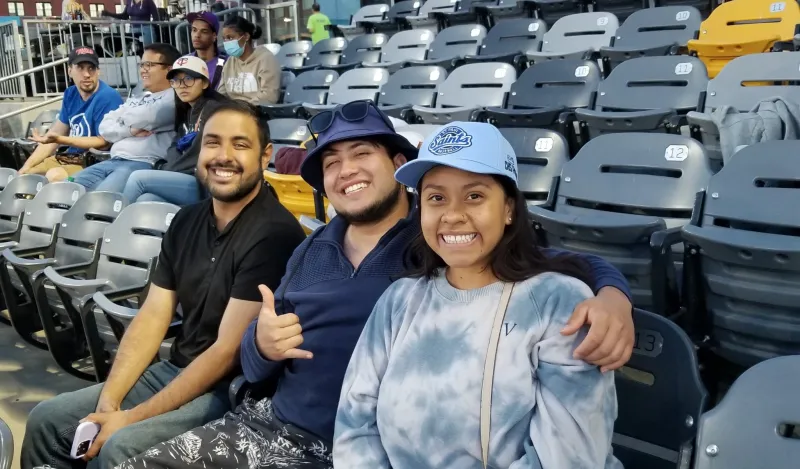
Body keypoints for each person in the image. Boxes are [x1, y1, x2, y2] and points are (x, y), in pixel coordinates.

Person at [117, 102, 635, 469]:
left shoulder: (433, 241)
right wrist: (263, 343)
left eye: (361, 153)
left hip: (328, 448)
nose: (346, 172)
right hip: (272, 423)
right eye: (332, 163)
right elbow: (259, 366)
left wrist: (613, 295)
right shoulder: (316, 251)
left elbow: (560, 265)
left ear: (396, 166)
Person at [22, 100, 307, 469]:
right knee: (47, 420)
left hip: (227, 391)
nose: (223, 156)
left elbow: (225, 352)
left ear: (264, 155)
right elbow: (153, 316)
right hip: (174, 370)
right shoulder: (186, 220)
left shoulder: (274, 233)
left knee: (118, 447)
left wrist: (130, 417)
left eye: (240, 144)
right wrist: (110, 400)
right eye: (212, 142)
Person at [334, 122, 622, 468]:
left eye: (475, 196)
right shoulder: (399, 300)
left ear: (509, 209)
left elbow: (568, 457)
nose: (453, 215)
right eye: (436, 198)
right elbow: (354, 425)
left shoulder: (557, 303)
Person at [66, 43, 180, 192]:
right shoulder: (140, 98)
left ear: (169, 69)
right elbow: (104, 127)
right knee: (66, 190)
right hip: (112, 160)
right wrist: (131, 131)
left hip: (143, 163)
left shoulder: (175, 97)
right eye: (141, 64)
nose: (143, 69)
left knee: (100, 200)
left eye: (149, 65)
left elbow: (149, 117)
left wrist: (122, 118)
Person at [122, 55, 227, 205]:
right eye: (176, 81)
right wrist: (168, 168)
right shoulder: (187, 111)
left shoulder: (213, 111)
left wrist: (169, 170)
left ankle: (116, 226)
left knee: (137, 178)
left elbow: (199, 155)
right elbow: (174, 147)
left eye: (189, 79)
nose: (181, 85)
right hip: (183, 176)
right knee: (147, 200)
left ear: (204, 83)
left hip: (204, 184)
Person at [21, 47, 123, 181]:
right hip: (69, 158)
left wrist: (60, 139)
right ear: (70, 71)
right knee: (25, 177)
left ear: (98, 71)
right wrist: (24, 168)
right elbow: (54, 136)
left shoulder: (108, 97)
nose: (86, 74)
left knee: (54, 175)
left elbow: (103, 143)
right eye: (80, 68)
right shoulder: (70, 93)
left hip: (94, 163)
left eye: (91, 68)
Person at [219, 16, 280, 105]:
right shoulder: (230, 61)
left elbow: (269, 96)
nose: (227, 42)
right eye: (224, 39)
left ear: (246, 36)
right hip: (232, 113)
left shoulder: (266, 59)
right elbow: (222, 93)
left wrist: (240, 110)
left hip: (257, 112)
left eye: (230, 38)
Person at [187, 11, 227, 89]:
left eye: (204, 31)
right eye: (194, 30)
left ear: (214, 36)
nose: (197, 35)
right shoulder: (185, 61)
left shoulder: (228, 62)